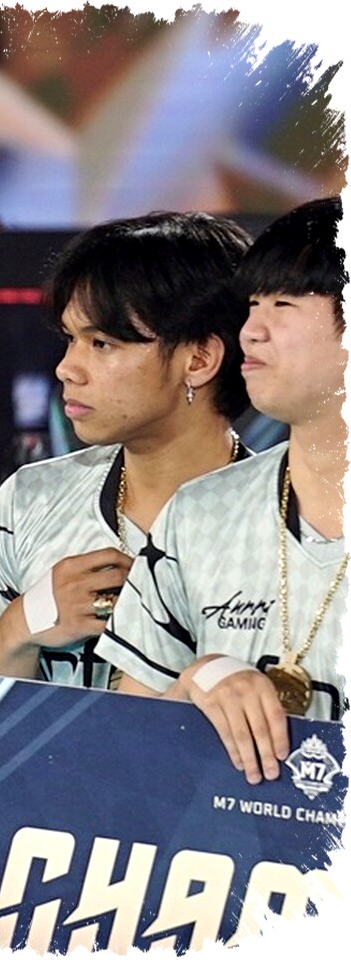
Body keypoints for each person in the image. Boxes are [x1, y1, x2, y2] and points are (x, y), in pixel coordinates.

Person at [0, 212, 252, 687]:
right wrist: (21, 626)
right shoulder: (31, 501)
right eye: (71, 339)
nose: (67, 368)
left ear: (199, 359)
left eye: (102, 343)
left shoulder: (291, 523)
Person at [97, 196, 347, 784]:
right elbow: (119, 758)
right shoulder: (198, 515)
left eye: (283, 305)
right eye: (252, 305)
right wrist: (195, 682)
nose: (251, 332)